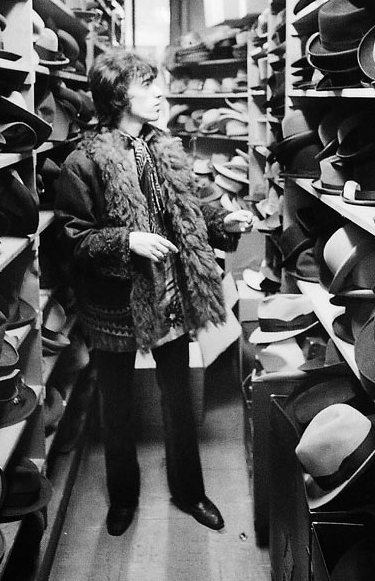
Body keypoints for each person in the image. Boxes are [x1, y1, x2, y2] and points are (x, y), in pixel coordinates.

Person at [55, 49, 254, 537]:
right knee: (116, 404)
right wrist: (126, 241)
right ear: (120, 95)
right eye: (150, 86)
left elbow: (189, 209)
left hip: (169, 294)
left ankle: (190, 492)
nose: (161, 94)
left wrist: (221, 219)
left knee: (178, 397)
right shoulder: (85, 161)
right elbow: (72, 237)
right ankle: (123, 497)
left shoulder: (166, 148)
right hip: (114, 304)